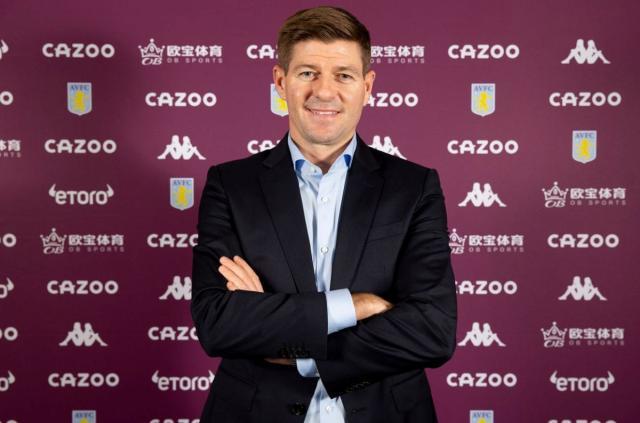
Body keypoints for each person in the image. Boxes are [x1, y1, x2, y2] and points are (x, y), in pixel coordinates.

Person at [191, 6, 457, 422]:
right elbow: (218, 322)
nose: (325, 91)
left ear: (367, 86)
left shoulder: (414, 187)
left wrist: (297, 348)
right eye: (307, 73)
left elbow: (432, 330)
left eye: (343, 75)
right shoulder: (231, 185)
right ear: (281, 82)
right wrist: (355, 305)